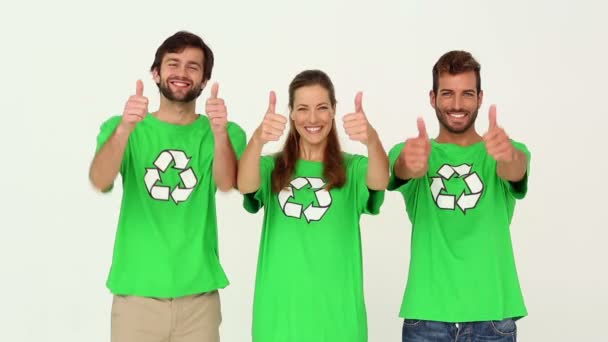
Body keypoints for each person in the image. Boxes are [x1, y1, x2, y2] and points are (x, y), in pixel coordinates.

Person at [89, 31, 246, 342]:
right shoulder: (122, 127)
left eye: (193, 67)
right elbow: (100, 179)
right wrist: (124, 130)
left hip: (198, 296)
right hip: (136, 295)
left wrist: (218, 133)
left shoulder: (225, 132)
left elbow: (227, 183)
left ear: (204, 80)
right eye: (173, 64)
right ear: (156, 73)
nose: (182, 73)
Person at [389, 50, 530, 341]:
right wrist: (407, 164)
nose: (456, 104)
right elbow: (401, 169)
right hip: (426, 317)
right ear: (433, 98)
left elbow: (515, 169)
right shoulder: (416, 152)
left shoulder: (504, 150)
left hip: (492, 315)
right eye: (447, 93)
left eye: (467, 94)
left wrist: (506, 156)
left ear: (480, 98)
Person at [238, 69, 389, 342]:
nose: (312, 118)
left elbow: (380, 180)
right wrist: (258, 139)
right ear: (291, 113)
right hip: (280, 321)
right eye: (303, 109)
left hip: (339, 322)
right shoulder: (271, 167)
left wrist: (372, 140)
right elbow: (246, 185)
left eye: (322, 108)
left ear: (333, 111)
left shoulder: (352, 168)